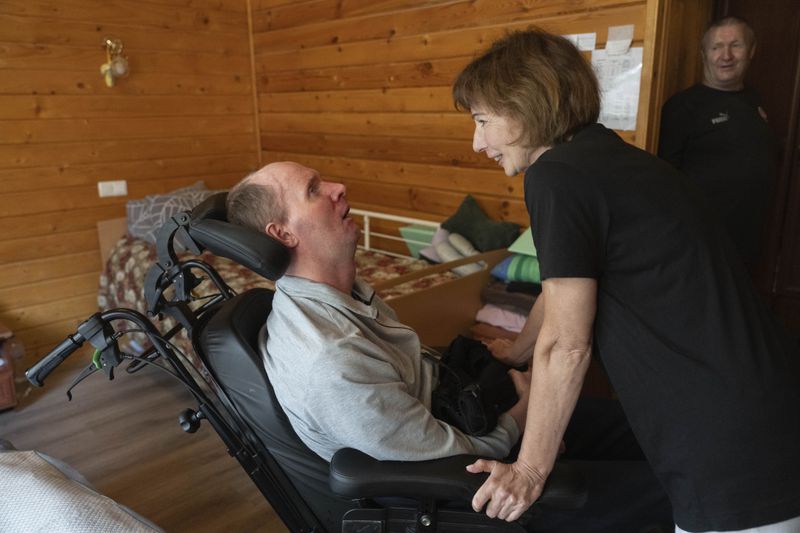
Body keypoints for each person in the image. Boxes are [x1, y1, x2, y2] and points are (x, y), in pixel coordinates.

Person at [453, 28, 800, 533]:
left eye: (483, 120)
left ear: (526, 105)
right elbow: (563, 289)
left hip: (728, 442)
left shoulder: (556, 177)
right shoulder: (618, 161)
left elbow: (569, 345)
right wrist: (518, 353)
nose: (477, 142)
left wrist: (528, 470)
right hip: (766, 405)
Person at [226, 161, 673, 532]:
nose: (339, 188)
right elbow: (446, 458)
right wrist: (525, 412)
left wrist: (509, 375)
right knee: (675, 492)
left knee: (657, 430)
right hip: (467, 482)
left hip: (475, 409)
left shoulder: (347, 295)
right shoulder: (328, 358)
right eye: (314, 190)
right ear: (283, 234)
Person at [658, 16, 774, 270]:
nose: (726, 55)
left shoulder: (756, 100)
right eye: (716, 47)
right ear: (704, 54)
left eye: (736, 45)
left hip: (747, 242)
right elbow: (664, 180)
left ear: (752, 50)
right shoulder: (682, 107)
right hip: (700, 244)